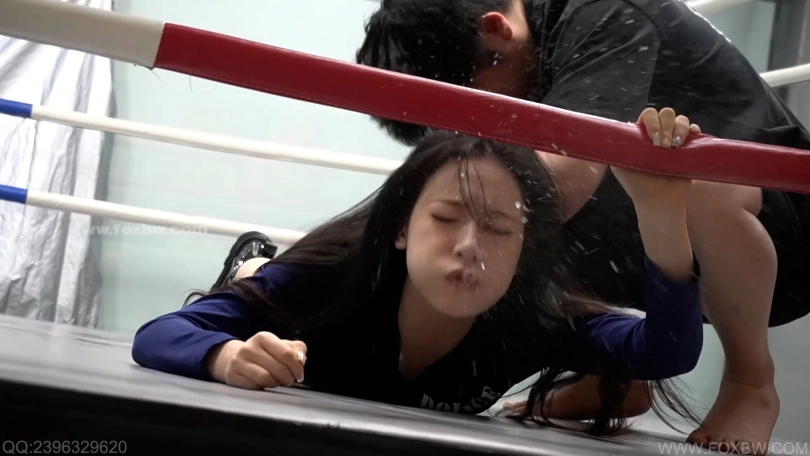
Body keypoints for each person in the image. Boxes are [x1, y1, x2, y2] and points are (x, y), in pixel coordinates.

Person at [354, 0, 810, 449]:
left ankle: (750, 381)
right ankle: (613, 377)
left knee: (540, 188)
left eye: (472, 106)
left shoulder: (605, 11)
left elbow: (563, 178)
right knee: (521, 179)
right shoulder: (533, 49)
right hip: (678, 247)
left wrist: (404, 235)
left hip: (787, 233)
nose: (468, 131)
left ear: (495, 29)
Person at [132, 111, 704, 436]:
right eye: (446, 218)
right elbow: (159, 333)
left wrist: (661, 212)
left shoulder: (533, 317)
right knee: (264, 281)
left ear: (523, 250)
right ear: (402, 227)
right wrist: (226, 357)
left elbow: (666, 350)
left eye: (499, 229)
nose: (470, 247)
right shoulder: (326, 283)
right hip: (300, 285)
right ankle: (253, 262)